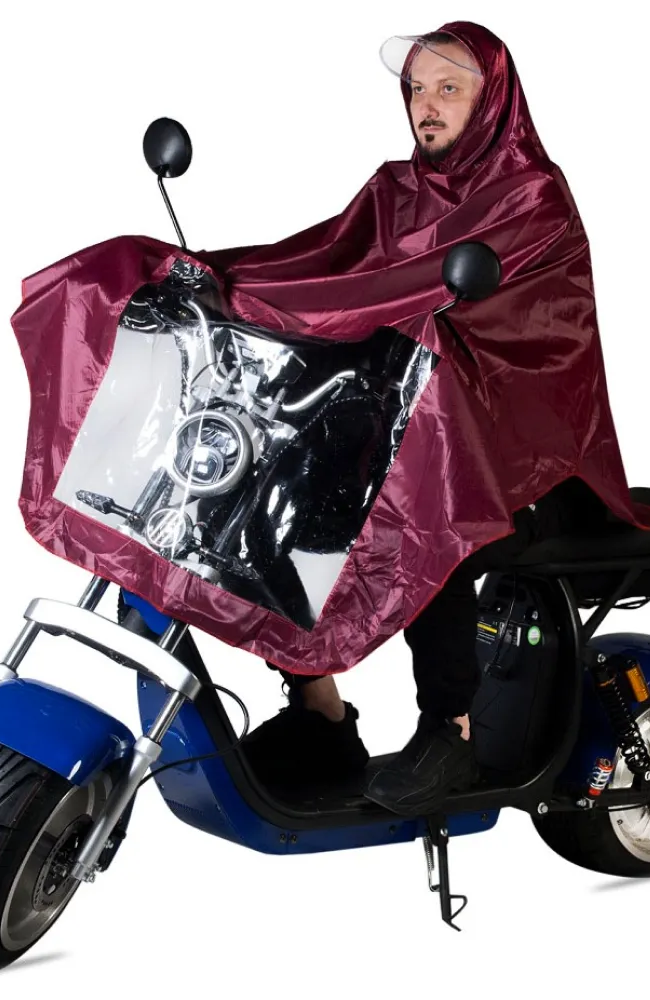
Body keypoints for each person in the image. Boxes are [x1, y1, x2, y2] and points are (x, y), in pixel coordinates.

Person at [241, 28, 566, 815]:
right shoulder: (395, 192)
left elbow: (531, 339)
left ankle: (452, 732)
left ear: (493, 99)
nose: (427, 104)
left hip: (508, 470)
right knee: (271, 496)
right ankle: (320, 710)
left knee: (430, 529)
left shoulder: (530, 197)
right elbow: (323, 264)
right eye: (417, 89)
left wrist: (386, 314)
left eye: (449, 88)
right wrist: (230, 283)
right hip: (392, 442)